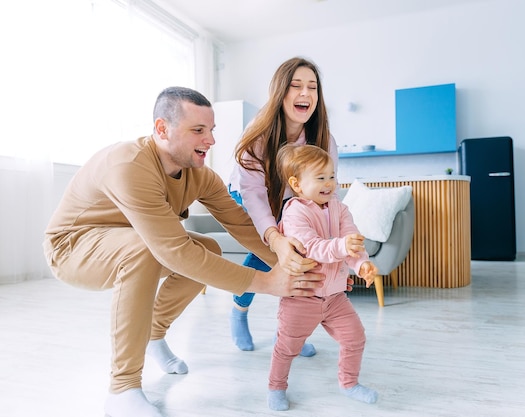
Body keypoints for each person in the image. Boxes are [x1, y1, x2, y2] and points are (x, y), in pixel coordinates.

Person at [42, 87, 324, 417]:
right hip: (72, 247)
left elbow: (243, 225)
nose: (211, 140)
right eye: (198, 131)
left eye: (212, 130)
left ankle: (153, 335)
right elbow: (173, 252)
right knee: (150, 252)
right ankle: (122, 389)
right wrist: (268, 283)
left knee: (207, 247)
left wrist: (299, 268)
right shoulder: (130, 165)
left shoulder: (198, 174)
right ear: (162, 129)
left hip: (133, 240)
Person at [228, 57, 341, 356]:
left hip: (292, 198)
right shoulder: (259, 133)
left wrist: (335, 241)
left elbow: (327, 192)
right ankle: (239, 310)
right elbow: (252, 190)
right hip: (249, 194)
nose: (305, 93)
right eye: (296, 86)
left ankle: (293, 332)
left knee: (302, 256)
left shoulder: (323, 139)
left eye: (312, 87)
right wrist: (273, 237)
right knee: (265, 253)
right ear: (281, 92)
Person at [266, 144, 379, 411]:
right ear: (297, 184)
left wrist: (362, 264)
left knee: (355, 338)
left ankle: (349, 383)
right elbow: (312, 247)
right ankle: (276, 387)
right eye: (320, 178)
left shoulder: (340, 209)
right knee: (286, 348)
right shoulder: (295, 212)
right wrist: (342, 246)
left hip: (335, 298)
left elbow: (352, 244)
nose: (329, 183)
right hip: (301, 297)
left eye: (332, 176)